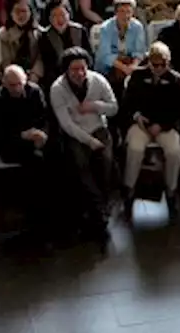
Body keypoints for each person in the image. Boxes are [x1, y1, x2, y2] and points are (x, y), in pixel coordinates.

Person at [49, 47, 115, 237]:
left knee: (106, 162)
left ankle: (103, 203)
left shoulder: (98, 81)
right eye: (74, 70)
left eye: (83, 69)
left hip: (98, 128)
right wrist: (89, 141)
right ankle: (96, 207)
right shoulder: (57, 89)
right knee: (81, 165)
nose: (79, 73)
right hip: (76, 133)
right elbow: (66, 124)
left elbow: (113, 108)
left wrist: (94, 106)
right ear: (66, 70)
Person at [121, 42, 180, 209]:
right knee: (135, 149)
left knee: (174, 151)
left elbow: (179, 109)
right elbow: (128, 103)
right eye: (155, 65)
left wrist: (162, 125)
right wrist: (137, 116)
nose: (159, 68)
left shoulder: (176, 80)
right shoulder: (137, 76)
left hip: (165, 125)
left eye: (164, 64)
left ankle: (171, 189)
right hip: (141, 124)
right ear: (149, 62)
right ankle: (129, 187)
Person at [0, 65, 50, 233]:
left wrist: (41, 134)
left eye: (19, 84)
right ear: (4, 84)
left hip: (34, 138)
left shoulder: (34, 92)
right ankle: (35, 212)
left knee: (56, 153)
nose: (16, 88)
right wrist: (23, 136)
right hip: (11, 143)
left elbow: (44, 118)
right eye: (12, 85)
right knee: (36, 161)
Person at [37, 0, 91, 91]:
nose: (60, 19)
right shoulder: (45, 36)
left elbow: (89, 56)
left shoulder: (80, 30)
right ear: (49, 18)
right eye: (54, 15)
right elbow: (48, 64)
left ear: (69, 14)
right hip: (58, 78)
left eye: (63, 14)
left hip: (81, 72)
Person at [95, 0, 147, 90]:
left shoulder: (138, 27)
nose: (125, 16)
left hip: (130, 62)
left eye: (128, 12)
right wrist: (124, 68)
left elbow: (139, 51)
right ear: (115, 12)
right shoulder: (105, 28)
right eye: (122, 11)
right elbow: (105, 55)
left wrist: (133, 66)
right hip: (110, 66)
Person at [0, 0, 42, 81]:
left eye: (24, 11)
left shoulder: (40, 33)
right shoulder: (3, 35)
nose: (21, 15)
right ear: (11, 13)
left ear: (30, 12)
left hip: (34, 77)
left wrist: (35, 74)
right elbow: (5, 61)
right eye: (17, 11)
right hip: (12, 77)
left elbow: (40, 59)